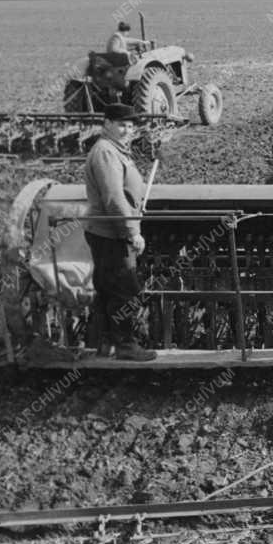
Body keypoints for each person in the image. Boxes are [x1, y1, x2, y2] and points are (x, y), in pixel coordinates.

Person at [83, 102, 156, 361]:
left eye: (130, 125)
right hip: (111, 232)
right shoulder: (106, 152)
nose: (127, 130)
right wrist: (131, 232)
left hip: (105, 230)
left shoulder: (114, 150)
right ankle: (125, 346)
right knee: (126, 289)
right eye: (121, 125)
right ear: (107, 124)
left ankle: (106, 345)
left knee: (107, 288)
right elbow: (114, 197)